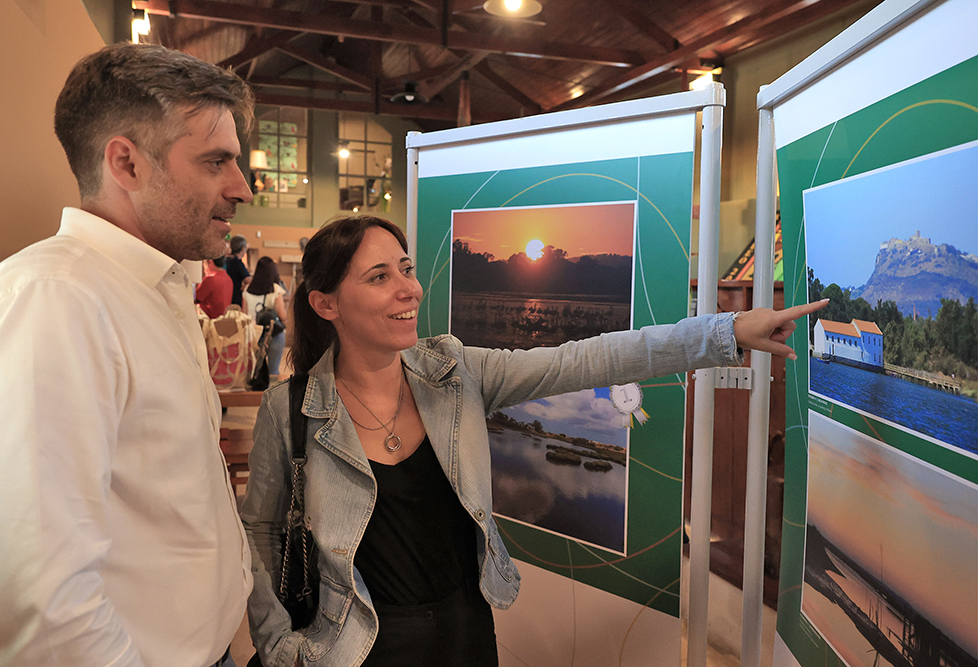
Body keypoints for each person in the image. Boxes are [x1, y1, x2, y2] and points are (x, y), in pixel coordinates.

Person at [241, 215, 828, 667]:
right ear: (326, 303)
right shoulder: (290, 409)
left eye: (407, 269)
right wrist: (277, 644)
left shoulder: (455, 371)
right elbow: (263, 530)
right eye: (379, 277)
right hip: (353, 642)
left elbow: (586, 359)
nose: (409, 290)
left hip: (464, 631)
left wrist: (724, 332)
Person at [0, 43, 256, 667]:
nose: (243, 187)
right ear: (127, 164)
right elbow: (43, 608)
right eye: (217, 161)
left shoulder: (154, 289)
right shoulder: (54, 302)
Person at [244, 256, 288, 376]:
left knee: (254, 371)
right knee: (273, 372)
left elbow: (245, 314)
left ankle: (255, 393)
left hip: (253, 334)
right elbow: (282, 315)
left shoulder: (248, 289)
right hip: (272, 334)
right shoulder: (275, 289)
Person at [226, 234, 251, 306]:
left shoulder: (226, 261)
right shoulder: (238, 263)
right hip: (235, 297)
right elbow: (248, 280)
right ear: (243, 248)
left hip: (225, 295)